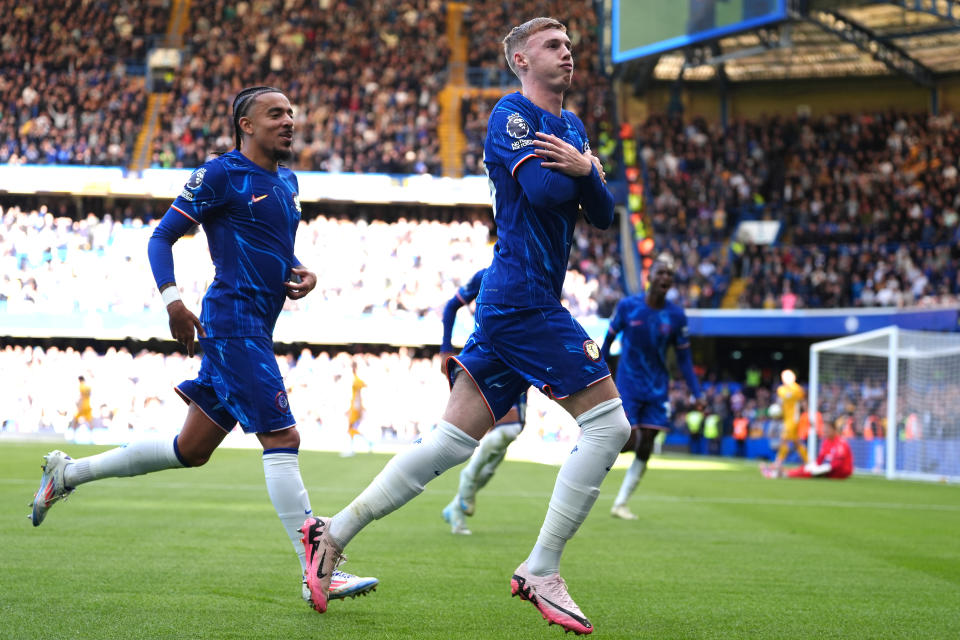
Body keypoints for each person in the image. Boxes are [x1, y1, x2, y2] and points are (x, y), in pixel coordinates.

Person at [299, 18, 627, 634]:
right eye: (554, 46)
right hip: (524, 299)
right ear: (520, 59)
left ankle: (330, 534)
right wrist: (585, 173)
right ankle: (541, 567)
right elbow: (543, 190)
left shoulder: (573, 127)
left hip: (516, 301)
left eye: (569, 46)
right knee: (610, 425)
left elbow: (603, 216)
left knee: (449, 443)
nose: (568, 54)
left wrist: (584, 171)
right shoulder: (510, 115)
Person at [29, 86, 377, 607]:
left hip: (259, 323)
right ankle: (319, 565)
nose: (289, 121)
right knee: (282, 438)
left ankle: (68, 473)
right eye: (275, 114)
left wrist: (301, 272)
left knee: (189, 450)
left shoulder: (288, 179)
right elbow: (160, 236)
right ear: (245, 124)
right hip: (232, 322)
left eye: (291, 113)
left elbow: (271, 245)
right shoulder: (220, 174)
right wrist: (172, 302)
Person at [599, 257, 704, 521]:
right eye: (660, 272)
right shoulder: (628, 307)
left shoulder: (676, 316)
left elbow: (684, 360)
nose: (665, 278)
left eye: (670, 274)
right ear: (650, 277)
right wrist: (598, 374)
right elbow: (608, 341)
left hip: (657, 387)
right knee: (629, 440)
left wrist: (697, 393)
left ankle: (621, 503)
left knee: (647, 444)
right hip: (629, 384)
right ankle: (588, 460)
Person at [438, 267, 527, 536]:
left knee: (501, 449)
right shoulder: (487, 275)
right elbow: (451, 306)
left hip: (521, 361)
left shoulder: (536, 275)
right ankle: (464, 487)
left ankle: (455, 506)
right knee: (506, 430)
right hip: (489, 358)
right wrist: (445, 347)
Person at [762, 420, 853, 479]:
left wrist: (822, 468)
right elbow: (821, 458)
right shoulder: (826, 441)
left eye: (827, 430)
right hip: (830, 469)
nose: (824, 432)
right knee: (806, 468)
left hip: (839, 473)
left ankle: (779, 473)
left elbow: (838, 464)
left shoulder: (841, 443)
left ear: (834, 430)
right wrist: (815, 465)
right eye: (824, 430)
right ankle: (779, 471)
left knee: (809, 472)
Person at [771, 369, 808, 469]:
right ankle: (808, 462)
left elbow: (803, 402)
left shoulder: (797, 389)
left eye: (788, 376)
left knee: (784, 440)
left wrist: (807, 416)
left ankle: (778, 463)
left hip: (794, 419)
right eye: (784, 377)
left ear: (793, 378)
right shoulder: (781, 390)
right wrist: (777, 413)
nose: (785, 379)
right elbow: (779, 404)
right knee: (797, 442)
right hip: (786, 419)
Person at [343, 361, 374, 457]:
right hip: (354, 406)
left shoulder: (356, 380)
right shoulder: (355, 380)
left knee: (351, 428)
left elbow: (358, 395)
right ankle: (367, 443)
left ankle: (352, 449)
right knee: (351, 429)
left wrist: (359, 408)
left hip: (355, 407)